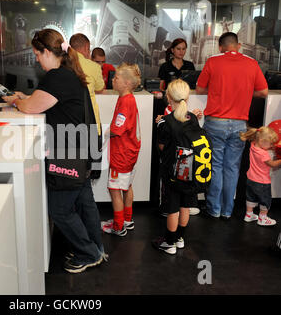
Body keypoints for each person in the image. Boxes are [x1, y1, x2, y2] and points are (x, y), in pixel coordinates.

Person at [2, 29, 106, 273]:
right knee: (85, 203)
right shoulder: (69, 73)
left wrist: (17, 101)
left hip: (67, 153)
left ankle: (89, 252)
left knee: (59, 209)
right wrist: (26, 98)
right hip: (81, 150)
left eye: (37, 54)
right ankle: (97, 249)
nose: (36, 59)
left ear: (47, 52)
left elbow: (30, 107)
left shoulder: (57, 77)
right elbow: (46, 101)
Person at [196, 32, 268, 219]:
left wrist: (218, 89)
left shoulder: (213, 61)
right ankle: (228, 211)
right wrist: (244, 92)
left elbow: (200, 89)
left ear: (220, 47)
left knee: (216, 166)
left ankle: (214, 209)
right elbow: (263, 91)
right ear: (239, 45)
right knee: (232, 168)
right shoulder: (252, 63)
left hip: (215, 123)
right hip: (239, 125)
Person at [152, 79, 200, 254]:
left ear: (168, 97)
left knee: (172, 207)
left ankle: (169, 243)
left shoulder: (165, 122)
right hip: (189, 168)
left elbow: (162, 147)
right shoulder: (193, 118)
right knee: (185, 205)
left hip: (171, 170)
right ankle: (179, 238)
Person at [100, 63, 141, 236]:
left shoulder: (125, 102)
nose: (112, 80)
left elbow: (117, 129)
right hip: (130, 153)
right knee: (127, 186)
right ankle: (127, 219)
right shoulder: (128, 98)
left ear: (125, 83)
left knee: (115, 190)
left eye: (116, 77)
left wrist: (105, 132)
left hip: (122, 154)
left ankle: (118, 226)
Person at [240, 126, 281, 226]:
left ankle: (249, 215)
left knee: (251, 197)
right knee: (265, 200)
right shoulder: (263, 154)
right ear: (262, 141)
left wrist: (271, 147)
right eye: (270, 143)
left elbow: (263, 145)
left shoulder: (253, 145)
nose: (271, 145)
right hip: (262, 182)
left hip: (250, 179)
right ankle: (262, 218)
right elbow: (273, 164)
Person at [69, 34, 105, 136]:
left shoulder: (63, 64)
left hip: (69, 124)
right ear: (86, 47)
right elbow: (100, 88)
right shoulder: (94, 67)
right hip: (90, 121)